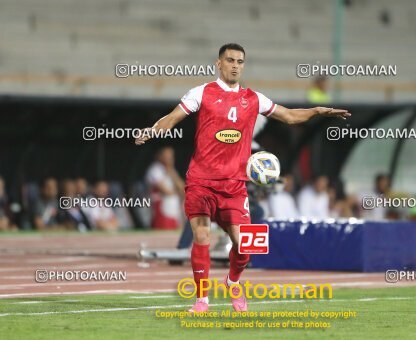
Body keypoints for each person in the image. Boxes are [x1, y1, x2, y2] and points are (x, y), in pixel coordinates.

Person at [135, 43, 350, 312]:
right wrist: (152, 130)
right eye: (230, 60)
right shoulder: (202, 93)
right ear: (219, 63)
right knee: (201, 235)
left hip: (235, 186)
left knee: (245, 248)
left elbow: (290, 116)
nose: (235, 65)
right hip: (201, 181)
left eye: (240, 61)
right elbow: (172, 118)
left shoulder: (254, 98)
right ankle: (202, 298)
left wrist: (318, 112)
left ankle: (232, 281)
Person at [145, 147, 185, 230]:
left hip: (174, 207)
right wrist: (178, 192)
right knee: (163, 231)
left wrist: (171, 170)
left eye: (171, 156)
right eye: (167, 156)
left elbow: (182, 188)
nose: (170, 158)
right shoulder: (155, 169)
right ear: (160, 156)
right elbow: (166, 191)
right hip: (161, 207)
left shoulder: (171, 170)